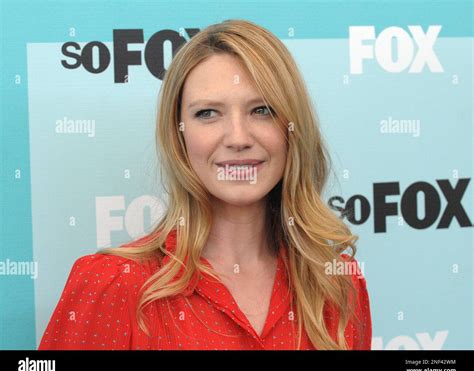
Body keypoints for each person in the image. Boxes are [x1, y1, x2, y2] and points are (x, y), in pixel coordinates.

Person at [38, 19, 371, 350]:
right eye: (209, 113)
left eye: (262, 110)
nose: (239, 138)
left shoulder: (335, 282)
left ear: (292, 129)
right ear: (178, 134)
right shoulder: (113, 283)